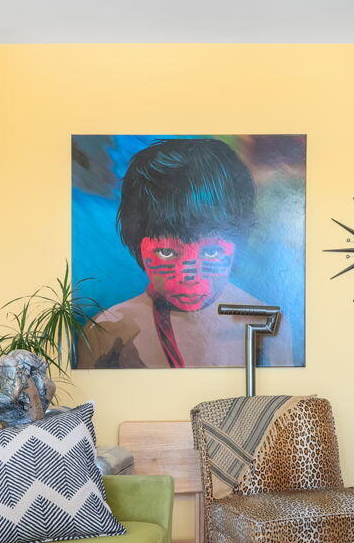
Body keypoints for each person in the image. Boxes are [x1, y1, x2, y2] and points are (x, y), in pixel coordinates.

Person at [76, 137, 296, 369]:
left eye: (211, 252)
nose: (187, 275)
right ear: (138, 246)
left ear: (237, 245)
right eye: (166, 252)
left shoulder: (269, 324)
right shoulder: (110, 330)